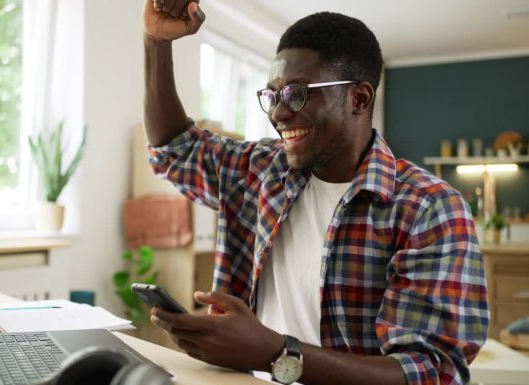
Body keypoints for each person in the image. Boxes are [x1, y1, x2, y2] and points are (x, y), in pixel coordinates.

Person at [141, 1, 489, 384]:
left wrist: (276, 352)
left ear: (359, 98)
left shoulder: (429, 209)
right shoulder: (261, 171)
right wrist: (156, 42)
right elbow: (175, 150)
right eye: (272, 96)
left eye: (296, 94)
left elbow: (429, 372)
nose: (277, 114)